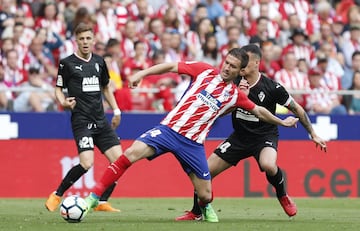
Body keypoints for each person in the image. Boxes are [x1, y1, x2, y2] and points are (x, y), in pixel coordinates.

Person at [83, 47, 299, 222]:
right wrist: (142, 73)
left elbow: (259, 111)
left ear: (240, 71)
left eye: (233, 67)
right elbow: (170, 66)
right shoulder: (204, 70)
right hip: (169, 130)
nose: (226, 68)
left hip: (193, 144)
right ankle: (93, 198)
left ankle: (204, 209)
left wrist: (282, 121)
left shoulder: (235, 95)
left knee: (205, 195)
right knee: (131, 153)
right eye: (226, 63)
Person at [175, 44, 327, 221]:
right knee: (205, 172)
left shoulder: (272, 87)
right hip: (239, 137)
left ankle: (282, 195)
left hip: (264, 137)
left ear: (256, 63)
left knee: (268, 165)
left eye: (245, 61)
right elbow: (221, 111)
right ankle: (196, 212)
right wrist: (237, 99)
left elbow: (297, 109)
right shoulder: (234, 82)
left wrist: (313, 134)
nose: (241, 64)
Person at [45, 23, 123, 213]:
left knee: (120, 161)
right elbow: (58, 88)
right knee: (87, 163)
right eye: (81, 39)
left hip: (101, 120)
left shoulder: (99, 62)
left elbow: (106, 88)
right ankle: (56, 194)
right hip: (81, 120)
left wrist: (117, 110)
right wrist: (63, 101)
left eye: (88, 38)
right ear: (76, 41)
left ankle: (101, 201)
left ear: (94, 40)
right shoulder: (67, 63)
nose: (85, 42)